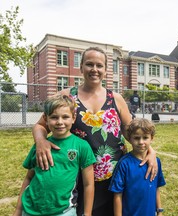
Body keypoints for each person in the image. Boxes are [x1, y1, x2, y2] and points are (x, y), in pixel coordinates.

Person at [32, 47, 158, 216]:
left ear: (105, 69)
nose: (94, 69)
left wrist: (150, 151)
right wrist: (40, 141)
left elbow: (134, 132)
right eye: (89, 64)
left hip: (115, 177)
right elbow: (40, 125)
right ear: (81, 66)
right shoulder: (66, 97)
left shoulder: (116, 99)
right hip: (78, 177)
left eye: (99, 65)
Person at [13, 95, 95, 216]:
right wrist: (18, 210)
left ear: (73, 118)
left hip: (64, 211)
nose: (60, 122)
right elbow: (29, 178)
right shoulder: (39, 146)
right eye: (54, 117)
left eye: (65, 117)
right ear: (45, 119)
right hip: (30, 210)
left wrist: (87, 214)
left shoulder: (81, 146)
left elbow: (88, 184)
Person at [109, 118, 166, 216]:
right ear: (130, 139)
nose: (141, 142)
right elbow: (117, 195)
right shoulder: (124, 164)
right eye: (136, 138)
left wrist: (159, 211)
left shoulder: (156, 162)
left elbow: (156, 188)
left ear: (152, 138)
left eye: (145, 137)